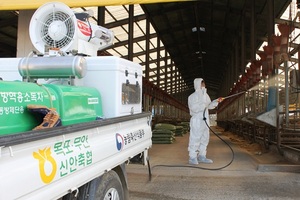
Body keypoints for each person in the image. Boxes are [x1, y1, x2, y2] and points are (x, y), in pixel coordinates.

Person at [188, 78, 222, 165]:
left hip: (205, 120)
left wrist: (216, 101)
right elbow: (194, 108)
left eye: (204, 84)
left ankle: (202, 156)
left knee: (204, 138)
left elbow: (209, 106)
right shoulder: (192, 97)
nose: (203, 85)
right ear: (197, 84)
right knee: (195, 138)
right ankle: (192, 157)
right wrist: (203, 105)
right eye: (201, 84)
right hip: (197, 120)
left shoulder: (206, 96)